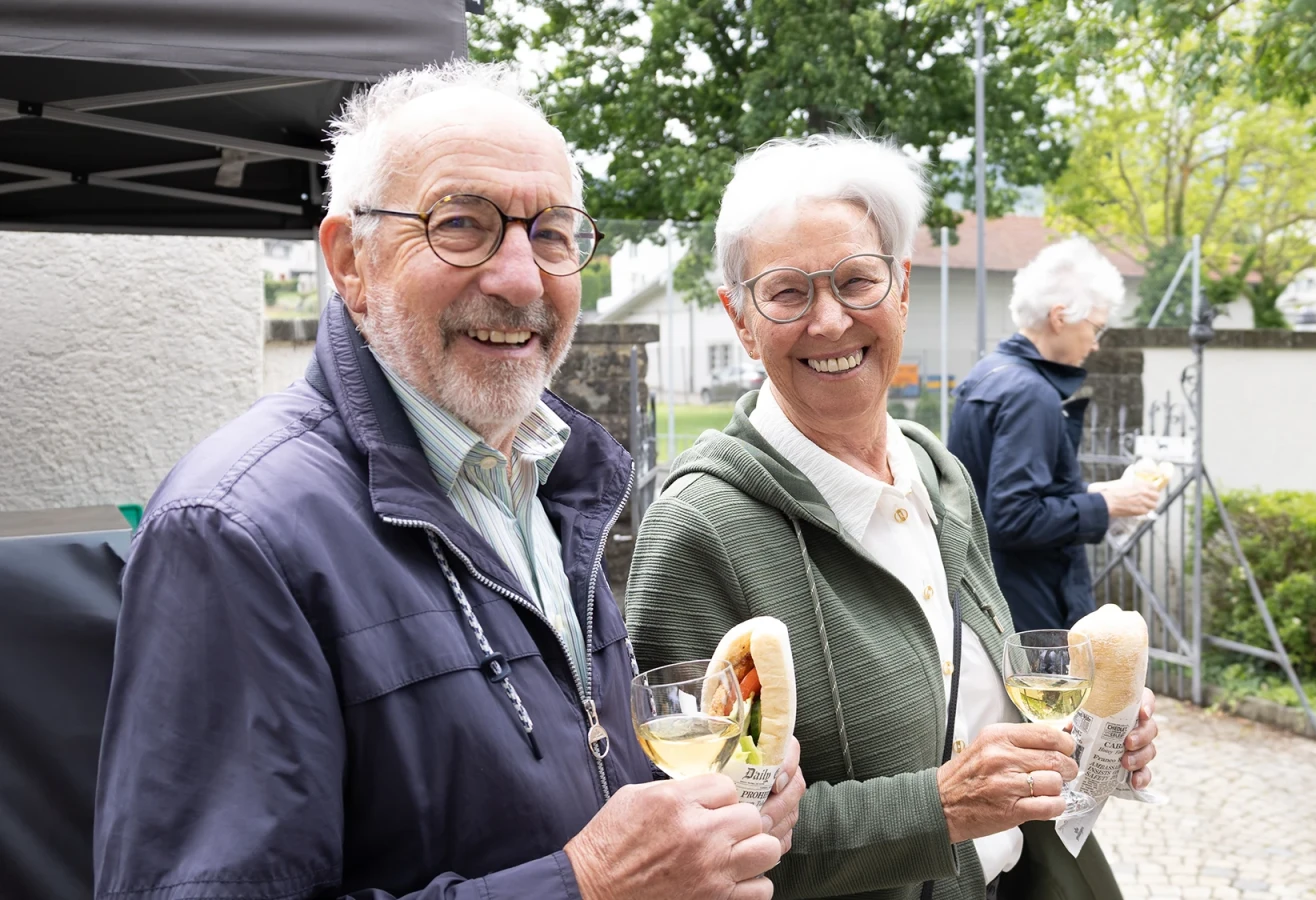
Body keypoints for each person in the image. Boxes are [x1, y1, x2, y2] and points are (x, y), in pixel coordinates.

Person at [93, 61, 801, 900]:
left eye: (551, 232)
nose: (520, 277)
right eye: (461, 224)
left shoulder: (549, 477)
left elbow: (570, 793)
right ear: (350, 261)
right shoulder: (234, 532)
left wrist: (698, 824)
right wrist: (588, 884)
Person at [625, 135, 1158, 900]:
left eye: (856, 281)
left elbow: (988, 708)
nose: (832, 321)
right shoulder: (701, 531)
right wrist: (937, 808)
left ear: (901, 289)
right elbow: (699, 839)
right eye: (787, 293)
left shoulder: (938, 474)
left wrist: (1095, 731)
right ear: (740, 320)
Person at [948, 239, 1161, 632]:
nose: (1096, 344)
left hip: (987, 597)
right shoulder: (1031, 393)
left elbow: (993, 499)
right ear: (1060, 316)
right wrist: (1107, 505)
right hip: (1032, 611)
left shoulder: (986, 375)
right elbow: (1014, 517)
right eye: (1096, 327)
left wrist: (1093, 496)